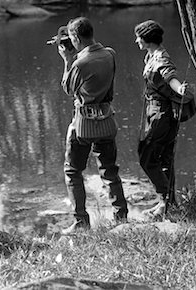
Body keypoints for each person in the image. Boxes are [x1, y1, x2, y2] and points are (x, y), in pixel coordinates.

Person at [58, 17, 128, 234]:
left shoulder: (80, 64)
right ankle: (121, 217)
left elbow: (68, 88)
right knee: (109, 171)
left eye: (72, 38)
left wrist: (67, 59)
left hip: (84, 125)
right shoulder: (110, 54)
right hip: (106, 121)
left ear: (76, 38)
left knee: (72, 171)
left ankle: (81, 221)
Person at [134, 20, 187, 217]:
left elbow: (170, 76)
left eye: (138, 37)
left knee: (146, 156)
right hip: (157, 112)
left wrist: (179, 88)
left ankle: (165, 198)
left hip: (160, 115)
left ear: (147, 40)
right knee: (164, 157)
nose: (136, 40)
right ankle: (167, 203)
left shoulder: (161, 59)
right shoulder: (152, 55)